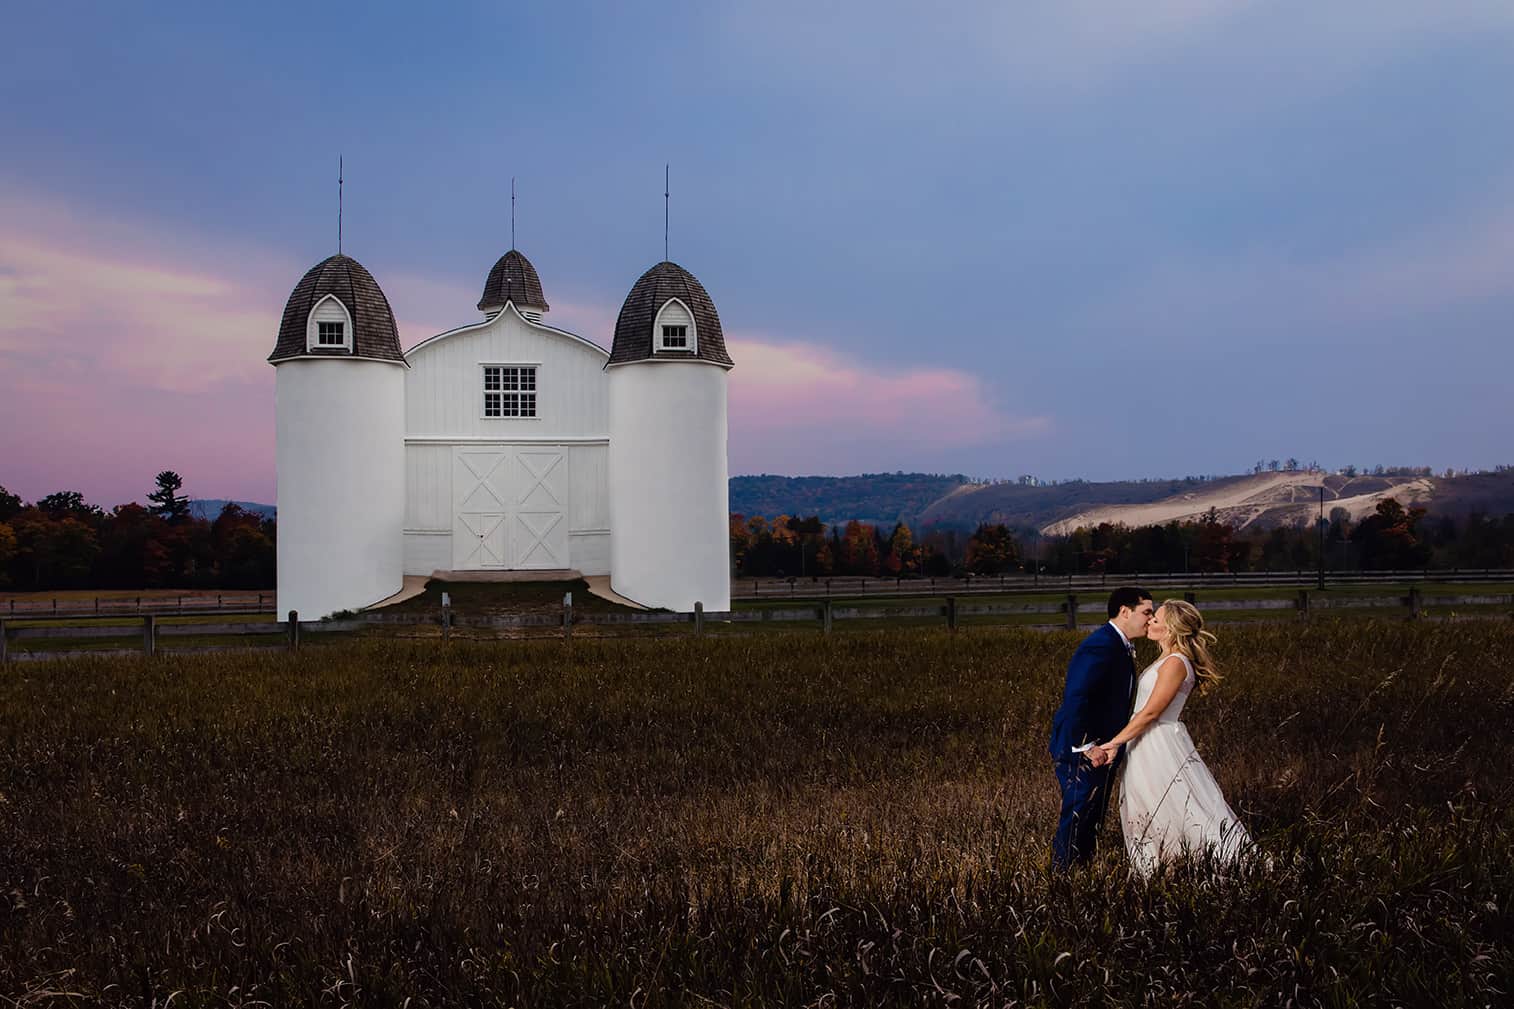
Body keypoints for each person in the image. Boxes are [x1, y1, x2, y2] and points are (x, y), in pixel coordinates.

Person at [1095, 598, 1252, 877]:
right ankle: (1158, 869)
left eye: (1157, 618)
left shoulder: (1176, 663)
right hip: (1144, 742)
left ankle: (1200, 865)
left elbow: (1151, 712)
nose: (1150, 621)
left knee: (1172, 804)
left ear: (1171, 628)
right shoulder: (1166, 659)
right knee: (1146, 804)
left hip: (1158, 743)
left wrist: (1113, 743)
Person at [1047, 586, 1153, 870]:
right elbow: (1076, 699)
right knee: (1079, 813)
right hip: (1083, 746)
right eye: (1146, 612)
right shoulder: (1101, 645)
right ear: (1124, 611)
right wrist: (1086, 746)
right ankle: (1062, 875)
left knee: (1092, 813)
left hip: (1104, 747)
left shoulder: (1118, 644)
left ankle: (1080, 871)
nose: (1150, 619)